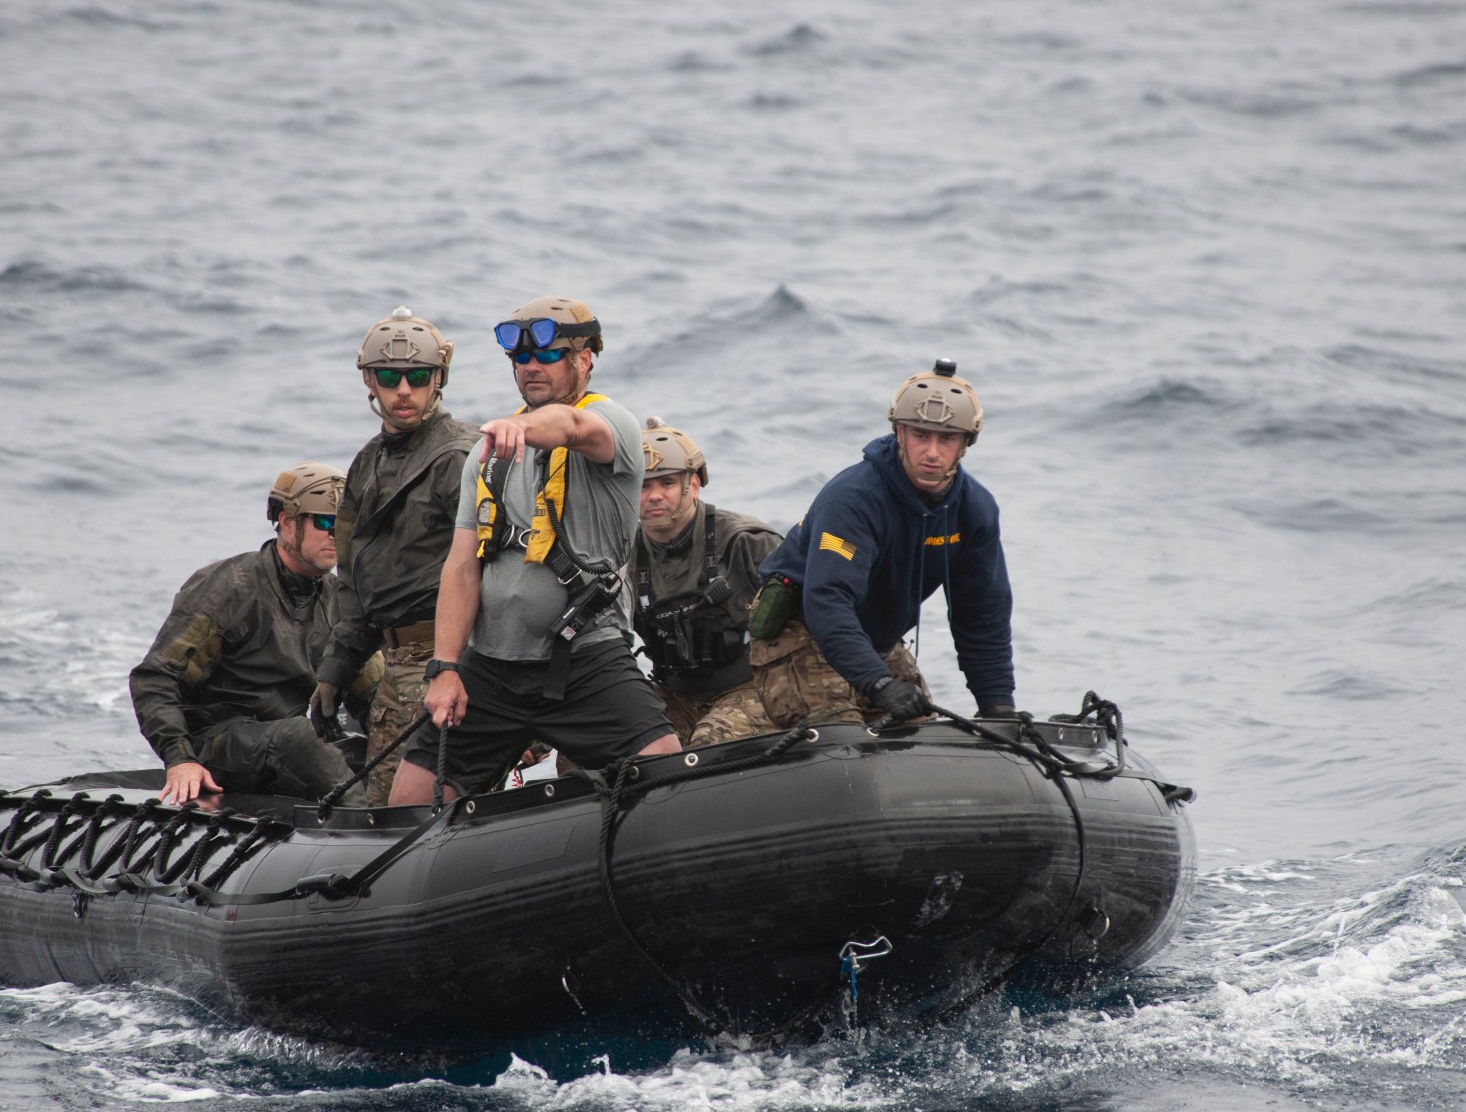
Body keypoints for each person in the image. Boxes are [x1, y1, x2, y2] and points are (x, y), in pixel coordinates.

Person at [389, 295, 681, 805]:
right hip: (491, 668)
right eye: (520, 359)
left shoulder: (614, 425)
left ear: (584, 359)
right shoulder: (487, 453)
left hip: (585, 659)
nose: (530, 366)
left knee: (663, 769)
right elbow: (461, 567)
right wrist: (445, 668)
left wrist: (519, 426)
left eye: (546, 356)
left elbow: (570, 428)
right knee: (409, 801)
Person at [749, 359, 1015, 728]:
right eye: (921, 435)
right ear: (899, 432)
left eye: (947, 439)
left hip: (873, 638)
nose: (933, 452)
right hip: (802, 630)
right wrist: (878, 683)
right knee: (839, 739)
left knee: (922, 738)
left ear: (965, 444)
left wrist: (997, 706)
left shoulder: (975, 510)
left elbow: (983, 616)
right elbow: (827, 599)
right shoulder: (852, 500)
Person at [310, 307, 482, 802]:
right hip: (396, 671)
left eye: (417, 377)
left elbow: (496, 574)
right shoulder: (367, 463)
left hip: (452, 666)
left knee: (434, 813)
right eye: (389, 377)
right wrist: (335, 671)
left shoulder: (461, 458)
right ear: (370, 382)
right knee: (383, 815)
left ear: (438, 380)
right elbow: (355, 579)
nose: (403, 390)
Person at [130, 462, 369, 807]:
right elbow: (154, 680)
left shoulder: (339, 600)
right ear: (287, 523)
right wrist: (180, 758)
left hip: (286, 741)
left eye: (346, 525)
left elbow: (373, 689)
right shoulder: (230, 588)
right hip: (218, 744)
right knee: (298, 736)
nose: (338, 536)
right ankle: (370, 826)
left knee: (370, 749)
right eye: (326, 522)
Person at [632, 418, 784, 747]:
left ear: (694, 486)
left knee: (710, 743)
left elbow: (809, 618)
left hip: (755, 686)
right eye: (643, 486)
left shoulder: (747, 542)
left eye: (667, 483)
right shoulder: (620, 556)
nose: (655, 496)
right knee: (594, 745)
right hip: (676, 695)